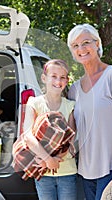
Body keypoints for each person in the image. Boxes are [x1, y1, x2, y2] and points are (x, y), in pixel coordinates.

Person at [67, 23, 112, 200]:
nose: (81, 49)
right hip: (85, 170)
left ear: (97, 44)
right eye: (75, 46)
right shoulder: (74, 89)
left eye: (86, 43)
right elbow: (73, 130)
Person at [22, 59, 77, 200]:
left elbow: (71, 139)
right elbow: (28, 135)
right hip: (43, 171)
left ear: (67, 80)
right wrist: (47, 159)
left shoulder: (70, 105)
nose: (58, 81)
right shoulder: (34, 103)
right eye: (54, 76)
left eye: (62, 77)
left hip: (67, 171)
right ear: (44, 78)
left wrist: (55, 160)